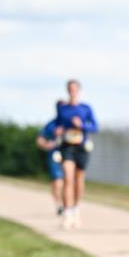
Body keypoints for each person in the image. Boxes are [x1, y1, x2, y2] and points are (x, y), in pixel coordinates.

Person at [54, 80, 97, 229]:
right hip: (67, 147)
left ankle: (76, 209)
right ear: (67, 91)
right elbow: (57, 123)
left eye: (74, 89)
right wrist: (57, 129)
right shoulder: (63, 109)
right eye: (70, 89)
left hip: (81, 146)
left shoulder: (86, 108)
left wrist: (82, 125)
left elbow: (95, 126)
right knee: (68, 178)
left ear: (79, 90)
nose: (72, 91)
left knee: (79, 180)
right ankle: (67, 212)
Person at [36, 104, 65, 215]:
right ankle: (59, 204)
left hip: (70, 154)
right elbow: (39, 140)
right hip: (55, 155)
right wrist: (46, 145)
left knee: (67, 180)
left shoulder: (71, 123)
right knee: (57, 180)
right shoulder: (52, 124)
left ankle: (68, 204)